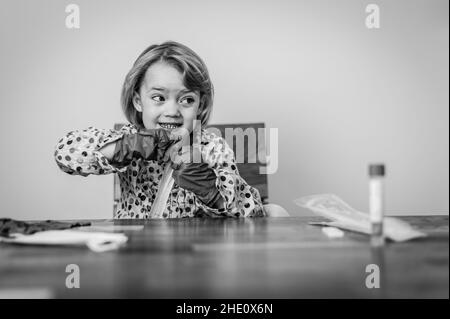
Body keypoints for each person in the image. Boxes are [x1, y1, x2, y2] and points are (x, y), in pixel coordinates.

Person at [54, 41, 268, 219]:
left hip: (193, 257)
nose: (172, 110)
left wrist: (210, 190)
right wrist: (128, 146)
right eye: (158, 98)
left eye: (186, 99)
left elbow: (253, 215)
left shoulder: (211, 148)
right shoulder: (129, 137)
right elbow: (65, 154)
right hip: (136, 253)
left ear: (200, 105)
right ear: (138, 101)